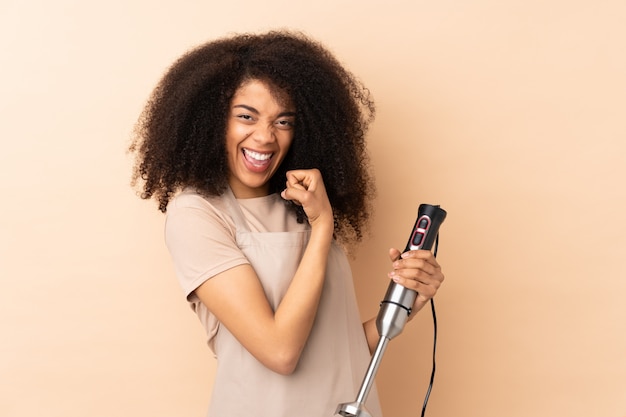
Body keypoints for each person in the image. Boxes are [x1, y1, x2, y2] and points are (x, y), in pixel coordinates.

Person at [129, 30, 444, 417]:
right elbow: (280, 351)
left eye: (283, 121)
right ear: (212, 120)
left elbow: (335, 351)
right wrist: (323, 224)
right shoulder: (197, 214)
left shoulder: (301, 203)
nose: (264, 137)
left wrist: (404, 304)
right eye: (246, 116)